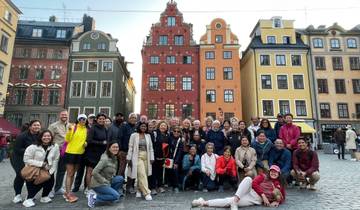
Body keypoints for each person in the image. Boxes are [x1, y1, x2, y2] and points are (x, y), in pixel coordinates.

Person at [192, 165, 285, 209]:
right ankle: (236, 200)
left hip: (256, 200)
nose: (273, 173)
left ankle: (203, 202)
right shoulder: (263, 176)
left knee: (229, 201)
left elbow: (283, 197)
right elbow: (254, 184)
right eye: (272, 171)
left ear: (279, 173)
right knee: (248, 179)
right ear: (269, 172)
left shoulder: (280, 184)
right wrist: (264, 196)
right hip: (250, 191)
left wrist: (277, 201)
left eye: (275, 172)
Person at [22, 130, 60, 207]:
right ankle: (29, 199)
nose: (47, 137)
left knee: (50, 183)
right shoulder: (33, 147)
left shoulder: (55, 146)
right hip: (34, 169)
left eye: (48, 136)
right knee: (36, 184)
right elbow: (26, 159)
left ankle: (44, 197)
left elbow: (56, 158)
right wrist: (40, 164)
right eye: (44, 136)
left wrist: (52, 170)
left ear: (51, 137)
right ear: (41, 137)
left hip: (48, 168)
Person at [11, 120, 41, 204]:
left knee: (31, 176)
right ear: (30, 126)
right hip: (18, 158)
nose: (36, 127)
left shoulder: (40, 135)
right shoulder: (22, 136)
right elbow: (17, 149)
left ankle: (30, 195)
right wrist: (31, 151)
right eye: (34, 125)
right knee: (20, 175)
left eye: (38, 125)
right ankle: (17, 195)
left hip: (31, 159)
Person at [87, 142, 124, 208]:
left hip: (107, 181)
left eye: (117, 147)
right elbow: (94, 172)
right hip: (98, 184)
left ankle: (109, 196)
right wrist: (104, 181)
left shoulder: (114, 157)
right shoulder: (105, 159)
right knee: (116, 196)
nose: (116, 149)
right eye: (114, 147)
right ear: (109, 148)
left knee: (120, 178)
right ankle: (94, 197)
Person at [63, 114, 88, 203]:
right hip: (70, 152)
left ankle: (68, 191)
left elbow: (85, 140)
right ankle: (68, 193)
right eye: (81, 119)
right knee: (69, 173)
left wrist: (85, 143)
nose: (82, 120)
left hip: (80, 153)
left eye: (84, 119)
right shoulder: (73, 127)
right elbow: (67, 140)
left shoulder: (86, 129)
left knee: (73, 173)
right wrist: (69, 131)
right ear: (78, 120)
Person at [126, 122, 154, 200]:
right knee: (142, 174)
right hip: (137, 156)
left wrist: (152, 157)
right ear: (139, 126)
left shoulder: (148, 136)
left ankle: (139, 190)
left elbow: (151, 147)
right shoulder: (134, 135)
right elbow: (130, 147)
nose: (144, 127)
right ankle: (146, 193)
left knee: (143, 174)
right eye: (142, 126)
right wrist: (128, 157)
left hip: (147, 156)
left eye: (145, 126)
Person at [84, 113, 108, 194]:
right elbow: (89, 140)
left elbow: (106, 140)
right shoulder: (93, 128)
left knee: (98, 172)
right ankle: (89, 189)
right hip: (92, 153)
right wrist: (101, 143)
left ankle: (97, 188)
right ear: (97, 120)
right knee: (90, 172)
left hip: (100, 154)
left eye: (103, 119)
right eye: (100, 119)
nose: (102, 120)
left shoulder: (105, 128)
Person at [48, 110, 69, 197]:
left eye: (65, 114)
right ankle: (48, 190)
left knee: (62, 170)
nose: (64, 116)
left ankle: (58, 188)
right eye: (62, 114)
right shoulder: (53, 126)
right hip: (56, 151)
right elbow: (48, 138)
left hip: (66, 152)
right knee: (51, 170)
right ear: (59, 115)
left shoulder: (70, 126)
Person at [153, 121, 170, 193]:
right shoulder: (155, 134)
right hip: (155, 156)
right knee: (154, 172)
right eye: (162, 125)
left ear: (167, 128)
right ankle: (153, 187)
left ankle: (160, 186)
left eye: (164, 126)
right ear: (159, 126)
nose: (163, 127)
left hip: (163, 157)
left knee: (161, 173)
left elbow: (167, 146)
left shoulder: (167, 135)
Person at [118, 113, 137, 177]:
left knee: (131, 168)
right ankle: (119, 184)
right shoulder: (124, 126)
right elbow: (119, 137)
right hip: (124, 151)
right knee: (122, 169)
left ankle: (130, 185)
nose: (133, 119)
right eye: (132, 117)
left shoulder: (136, 127)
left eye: (135, 118)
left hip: (133, 152)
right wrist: (120, 150)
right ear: (129, 119)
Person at [167, 126, 184, 193]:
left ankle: (176, 186)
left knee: (175, 171)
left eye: (178, 131)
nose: (176, 132)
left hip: (175, 159)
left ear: (180, 133)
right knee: (169, 172)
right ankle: (170, 185)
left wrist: (176, 162)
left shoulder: (180, 141)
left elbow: (180, 152)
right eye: (175, 131)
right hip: (169, 158)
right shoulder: (169, 138)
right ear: (172, 132)